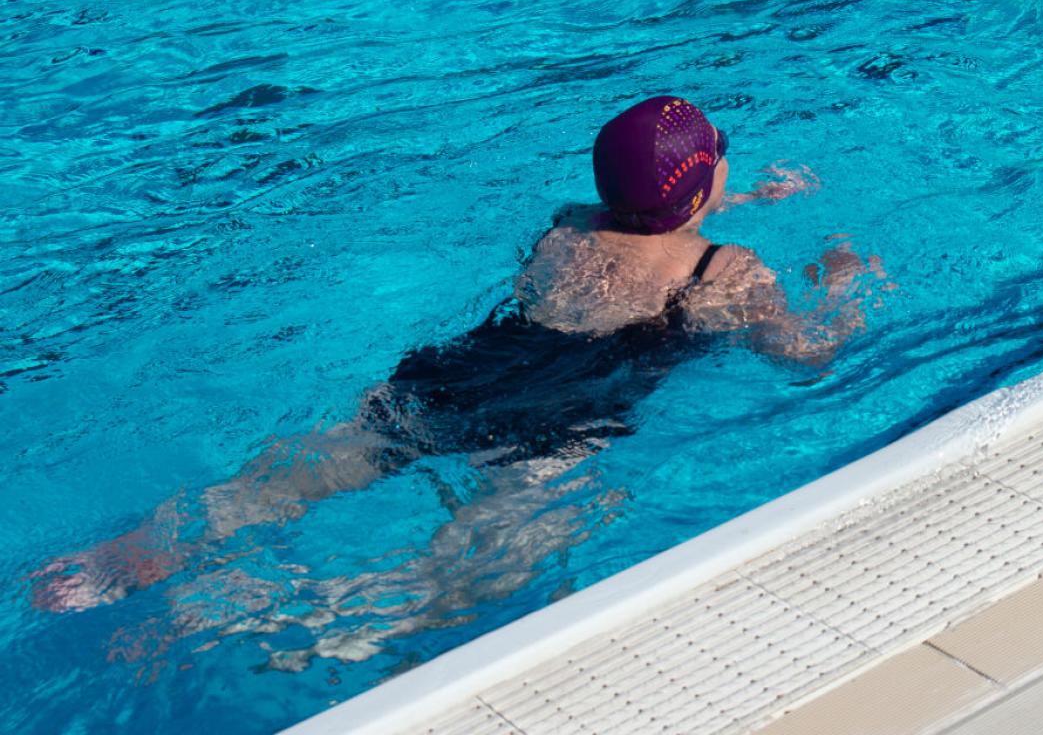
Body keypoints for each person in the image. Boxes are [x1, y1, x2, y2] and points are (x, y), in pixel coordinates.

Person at [32, 96, 875, 615]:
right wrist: (843, 280)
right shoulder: (724, 269)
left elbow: (643, 207)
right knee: (468, 572)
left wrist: (730, 194)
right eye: (721, 158)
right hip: (567, 409)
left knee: (298, 473)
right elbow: (804, 356)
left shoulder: (568, 223)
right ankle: (276, 613)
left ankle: (133, 555)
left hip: (463, 370)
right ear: (702, 197)